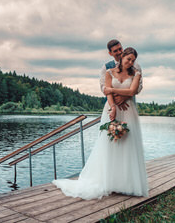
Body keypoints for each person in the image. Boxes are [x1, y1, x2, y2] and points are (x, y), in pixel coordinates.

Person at [52, 47, 148, 199]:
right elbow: (106, 91)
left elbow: (131, 91)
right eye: (128, 59)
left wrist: (114, 91)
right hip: (112, 110)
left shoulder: (137, 73)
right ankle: (110, 181)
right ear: (121, 57)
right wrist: (113, 107)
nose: (130, 62)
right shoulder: (109, 72)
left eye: (133, 60)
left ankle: (127, 183)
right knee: (109, 143)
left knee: (128, 144)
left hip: (129, 111)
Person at [99, 39, 142, 110]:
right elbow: (103, 87)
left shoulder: (135, 66)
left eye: (120, 49)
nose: (119, 52)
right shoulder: (106, 68)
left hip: (129, 105)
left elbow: (139, 87)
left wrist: (125, 97)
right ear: (110, 53)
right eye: (115, 51)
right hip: (112, 105)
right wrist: (115, 100)